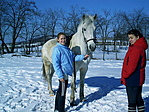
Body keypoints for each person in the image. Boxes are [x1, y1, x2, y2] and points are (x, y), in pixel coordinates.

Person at [52, 32, 89, 112]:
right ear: (58, 40)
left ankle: (57, 108)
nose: (63, 40)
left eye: (64, 38)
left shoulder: (67, 49)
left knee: (60, 91)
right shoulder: (57, 49)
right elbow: (56, 64)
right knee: (62, 93)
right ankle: (61, 110)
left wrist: (83, 57)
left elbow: (73, 57)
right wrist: (60, 75)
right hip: (63, 74)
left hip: (66, 74)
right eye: (61, 39)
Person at [121, 29, 148, 112]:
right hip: (137, 77)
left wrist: (125, 75)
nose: (130, 40)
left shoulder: (136, 49)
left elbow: (132, 66)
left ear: (138, 37)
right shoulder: (137, 47)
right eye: (129, 38)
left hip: (133, 78)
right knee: (138, 98)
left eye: (132, 38)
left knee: (132, 101)